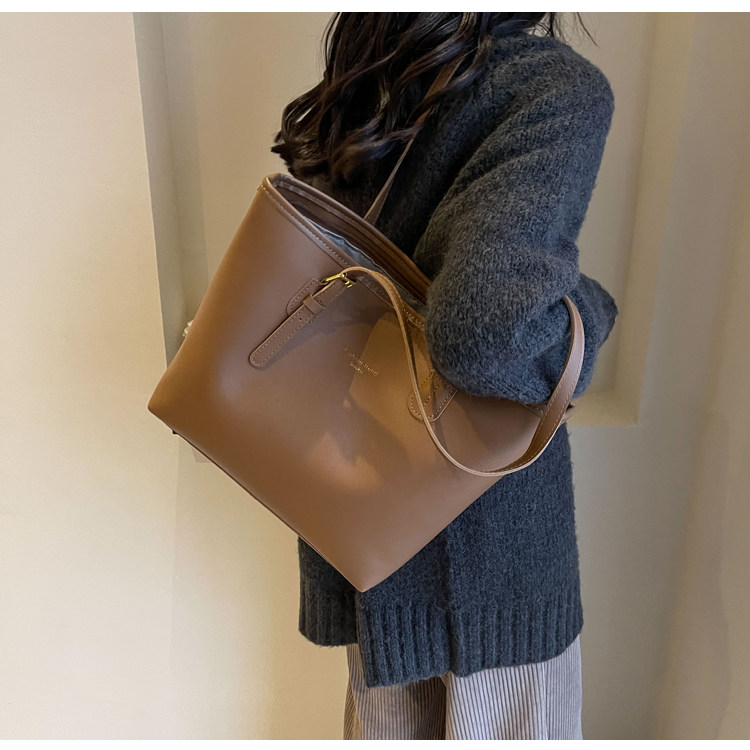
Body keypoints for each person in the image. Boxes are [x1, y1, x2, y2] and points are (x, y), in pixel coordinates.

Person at [271, 12, 618, 741]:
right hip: (490, 563)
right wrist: (592, 311)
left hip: (367, 535)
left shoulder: (361, 91)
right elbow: (486, 332)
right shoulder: (547, 85)